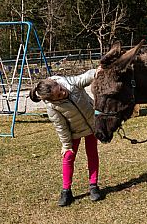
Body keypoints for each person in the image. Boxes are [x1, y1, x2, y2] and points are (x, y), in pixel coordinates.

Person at [29, 69, 102, 207]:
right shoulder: (52, 107)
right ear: (53, 100)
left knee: (92, 153)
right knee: (68, 157)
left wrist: (96, 73)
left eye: (61, 89)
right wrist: (66, 145)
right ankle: (66, 191)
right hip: (74, 132)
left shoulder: (69, 83)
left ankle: (93, 186)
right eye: (59, 95)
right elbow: (61, 127)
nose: (63, 92)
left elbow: (84, 77)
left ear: (57, 82)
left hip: (92, 124)